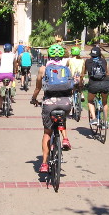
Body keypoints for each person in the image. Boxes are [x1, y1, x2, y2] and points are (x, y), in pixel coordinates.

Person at [30, 44, 74, 174]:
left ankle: (44, 164)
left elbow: (38, 87)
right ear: (62, 56)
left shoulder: (44, 69)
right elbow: (71, 86)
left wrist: (34, 98)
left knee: (47, 133)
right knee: (62, 118)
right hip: (66, 103)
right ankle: (65, 139)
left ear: (48, 56)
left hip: (49, 104)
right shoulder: (66, 69)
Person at [85, 47, 109, 128]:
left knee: (90, 100)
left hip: (93, 85)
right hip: (105, 84)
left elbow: (83, 72)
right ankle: (105, 121)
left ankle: (94, 118)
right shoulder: (104, 61)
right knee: (105, 102)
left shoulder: (88, 61)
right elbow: (108, 73)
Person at [0, 43, 17, 113]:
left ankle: (0, 108)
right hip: (9, 75)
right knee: (9, 88)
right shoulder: (13, 55)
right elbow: (15, 65)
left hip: (1, 74)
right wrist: (14, 72)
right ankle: (10, 98)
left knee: (1, 92)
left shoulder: (1, 55)